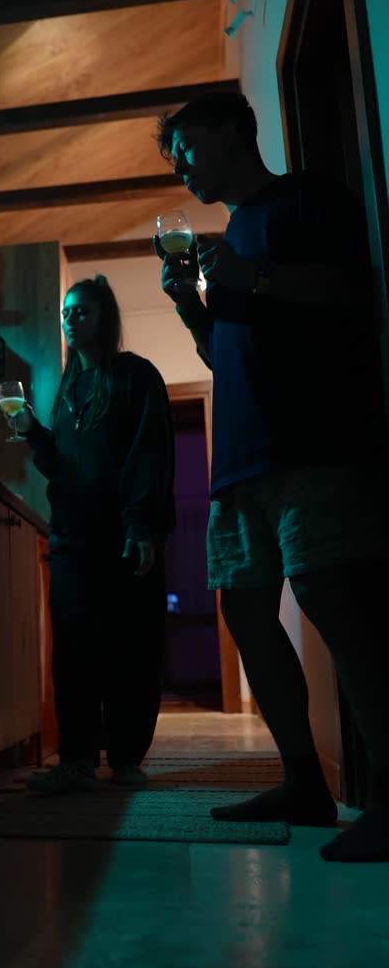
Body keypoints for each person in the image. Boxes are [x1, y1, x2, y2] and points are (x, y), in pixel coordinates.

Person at [153, 89, 389, 862]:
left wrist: (251, 280)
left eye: (186, 146)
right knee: (246, 612)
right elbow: (224, 355)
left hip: (313, 441)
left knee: (331, 598)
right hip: (243, 459)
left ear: (229, 131)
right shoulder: (230, 239)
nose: (180, 165)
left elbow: (356, 292)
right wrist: (194, 309)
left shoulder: (305, 199)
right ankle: (303, 783)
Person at [5, 275, 175, 794]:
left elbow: (149, 456)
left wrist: (141, 525)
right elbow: (65, 467)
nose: (70, 319)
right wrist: (34, 433)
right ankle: (76, 760)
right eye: (65, 312)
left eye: (82, 311)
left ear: (106, 317)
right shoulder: (69, 391)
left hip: (122, 538)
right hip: (73, 541)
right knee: (75, 652)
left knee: (132, 649)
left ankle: (126, 759)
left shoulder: (136, 377)